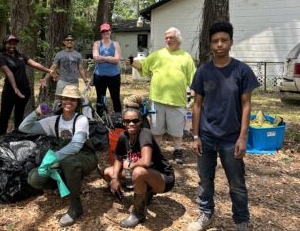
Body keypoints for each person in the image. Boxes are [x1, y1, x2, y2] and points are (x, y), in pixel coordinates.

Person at [187, 22, 260, 231]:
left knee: (237, 184)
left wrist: (243, 137)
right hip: (206, 137)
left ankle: (241, 220)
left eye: (224, 40)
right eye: (215, 41)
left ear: (230, 42)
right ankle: (206, 214)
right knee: (205, 179)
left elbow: (247, 105)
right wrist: (195, 136)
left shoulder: (242, 70)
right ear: (210, 45)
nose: (219, 44)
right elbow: (197, 105)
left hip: (231, 138)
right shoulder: (203, 71)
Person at [19, 85, 98, 227]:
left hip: (85, 156)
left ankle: (75, 206)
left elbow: (76, 146)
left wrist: (54, 158)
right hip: (63, 157)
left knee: (69, 163)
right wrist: (37, 112)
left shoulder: (81, 120)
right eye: (66, 98)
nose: (69, 102)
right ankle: (62, 184)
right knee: (34, 178)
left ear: (77, 102)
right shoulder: (53, 121)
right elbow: (24, 128)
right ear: (61, 100)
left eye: (73, 99)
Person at [128, 27, 196, 164]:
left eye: (171, 37)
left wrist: (195, 90)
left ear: (178, 40)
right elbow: (144, 65)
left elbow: (193, 77)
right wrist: (132, 62)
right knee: (156, 129)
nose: (168, 40)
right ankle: (157, 151)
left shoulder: (186, 57)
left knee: (177, 131)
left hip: (177, 100)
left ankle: (177, 150)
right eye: (166, 38)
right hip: (157, 99)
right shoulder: (157, 54)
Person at [103, 107, 175, 228]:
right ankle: (144, 191)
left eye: (135, 121)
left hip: (162, 178)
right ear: (123, 123)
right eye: (127, 121)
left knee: (138, 172)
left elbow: (146, 162)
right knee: (108, 172)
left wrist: (130, 165)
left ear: (141, 121)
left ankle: (138, 213)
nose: (131, 124)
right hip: (141, 174)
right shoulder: (122, 137)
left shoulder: (144, 133)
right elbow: (119, 159)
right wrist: (115, 178)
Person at [0, 34, 56, 136]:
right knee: (4, 116)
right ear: (5, 44)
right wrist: (15, 88)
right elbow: (9, 73)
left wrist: (49, 70)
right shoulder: (1, 57)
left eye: (14, 43)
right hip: (10, 91)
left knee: (19, 115)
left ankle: (17, 136)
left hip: (24, 90)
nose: (12, 45)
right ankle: (1, 139)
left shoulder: (20, 55)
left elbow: (34, 64)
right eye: (9, 43)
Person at [41, 34, 89, 109]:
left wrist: (86, 81)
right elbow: (53, 67)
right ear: (64, 42)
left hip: (74, 82)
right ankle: (55, 116)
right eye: (67, 40)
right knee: (58, 101)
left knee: (73, 101)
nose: (69, 41)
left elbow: (81, 69)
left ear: (74, 42)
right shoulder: (59, 54)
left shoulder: (78, 55)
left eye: (71, 40)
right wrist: (45, 79)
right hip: (62, 81)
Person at [92, 23, 122, 115]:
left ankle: (118, 117)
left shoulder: (115, 44)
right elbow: (96, 57)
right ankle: (100, 119)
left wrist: (103, 58)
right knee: (100, 98)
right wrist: (109, 58)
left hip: (114, 76)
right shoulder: (97, 43)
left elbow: (117, 59)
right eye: (103, 31)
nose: (105, 33)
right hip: (99, 76)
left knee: (115, 97)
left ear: (110, 31)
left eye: (107, 31)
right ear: (101, 33)